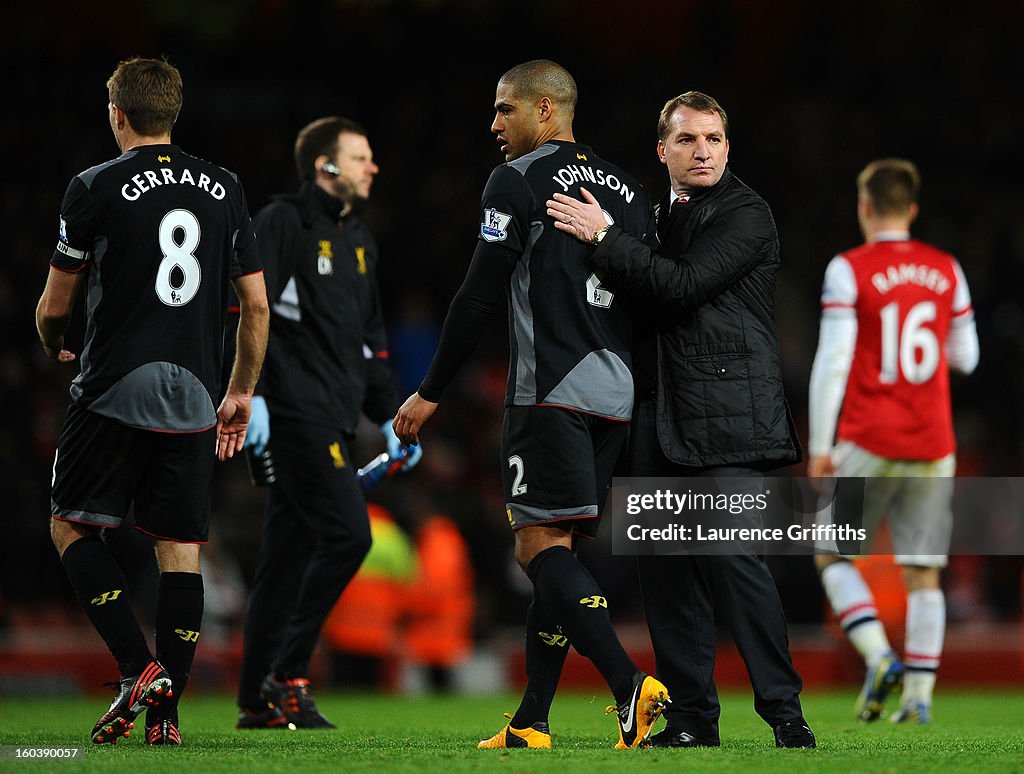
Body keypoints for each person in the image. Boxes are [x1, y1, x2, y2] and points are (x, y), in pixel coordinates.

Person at [393, 59, 669, 750]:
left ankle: (630, 686)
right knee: (562, 546)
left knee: (537, 544)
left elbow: (479, 294)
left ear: (546, 110)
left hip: (549, 386)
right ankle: (531, 721)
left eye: (505, 109)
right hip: (614, 392)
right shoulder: (633, 193)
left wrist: (430, 390)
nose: (493, 124)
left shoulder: (517, 180)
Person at [546, 91, 815, 749]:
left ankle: (785, 714)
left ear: (728, 147)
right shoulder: (649, 214)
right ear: (661, 150)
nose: (703, 151)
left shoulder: (747, 214)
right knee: (666, 574)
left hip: (726, 418)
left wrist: (604, 237)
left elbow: (682, 286)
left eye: (714, 139)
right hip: (656, 414)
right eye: (689, 140)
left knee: (733, 560)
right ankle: (694, 719)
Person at [37, 57, 269, 746]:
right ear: (173, 113)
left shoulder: (94, 185)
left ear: (118, 113)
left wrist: (51, 341)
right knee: (181, 549)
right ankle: (166, 718)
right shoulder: (224, 187)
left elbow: (57, 304)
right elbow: (254, 305)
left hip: (114, 384)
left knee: (71, 527)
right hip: (197, 394)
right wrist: (240, 392)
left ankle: (138, 667)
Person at [235, 116, 421, 730]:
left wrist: (390, 418)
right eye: (361, 156)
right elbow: (242, 310)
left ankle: (256, 702)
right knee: (350, 535)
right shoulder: (282, 222)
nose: (373, 168)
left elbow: (371, 348)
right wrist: (248, 394)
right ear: (326, 166)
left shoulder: (361, 243)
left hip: (336, 418)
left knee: (285, 559)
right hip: (292, 413)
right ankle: (287, 672)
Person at [806, 158, 979, 723]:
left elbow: (832, 361)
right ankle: (920, 698)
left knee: (832, 552)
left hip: (867, 435)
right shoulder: (946, 268)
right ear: (913, 208)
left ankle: (880, 656)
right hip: (933, 440)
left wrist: (820, 447)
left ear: (864, 207)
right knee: (923, 569)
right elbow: (967, 358)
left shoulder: (849, 269)